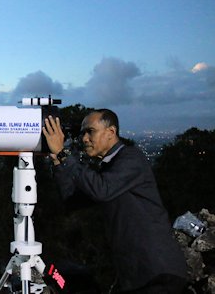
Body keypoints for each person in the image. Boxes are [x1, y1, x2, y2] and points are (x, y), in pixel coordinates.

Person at [42, 109, 187, 293]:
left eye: (90, 131)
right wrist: (57, 162)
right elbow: (72, 200)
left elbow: (102, 190)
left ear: (111, 132)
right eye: (82, 133)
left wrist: (63, 154)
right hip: (137, 274)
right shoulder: (109, 170)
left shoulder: (131, 158)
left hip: (158, 271)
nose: (84, 139)